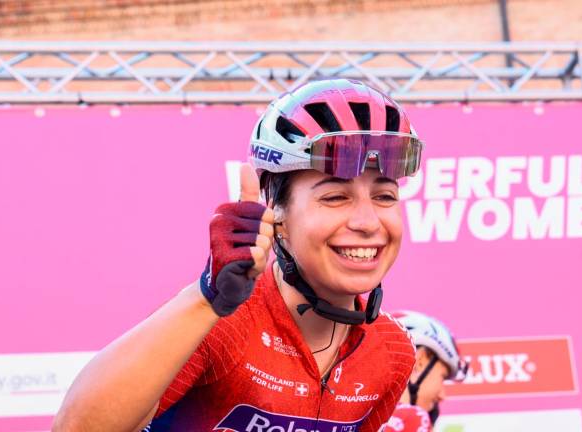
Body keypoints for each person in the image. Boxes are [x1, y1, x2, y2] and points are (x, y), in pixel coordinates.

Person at [53, 78, 426, 432]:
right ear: (276, 214)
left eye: (384, 196)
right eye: (334, 197)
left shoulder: (392, 352)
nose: (367, 221)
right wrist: (206, 299)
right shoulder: (220, 322)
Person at [382, 311, 468, 432]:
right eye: (442, 376)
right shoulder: (413, 421)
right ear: (420, 360)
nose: (442, 395)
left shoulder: (355, 415)